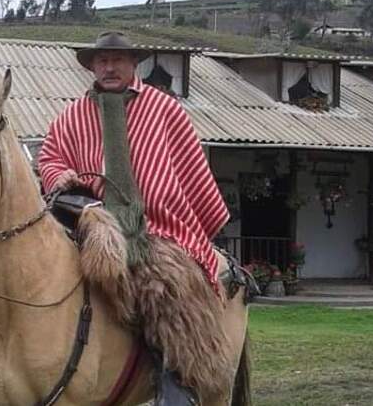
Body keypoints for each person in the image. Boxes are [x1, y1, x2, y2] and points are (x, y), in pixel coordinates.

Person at [38, 31, 230, 405]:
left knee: (166, 288)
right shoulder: (72, 115)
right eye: (102, 61)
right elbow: (50, 157)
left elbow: (191, 168)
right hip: (91, 224)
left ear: (133, 64)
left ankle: (181, 383)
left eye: (117, 60)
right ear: (92, 66)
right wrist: (57, 174)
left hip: (156, 226)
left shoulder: (165, 109)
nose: (109, 67)